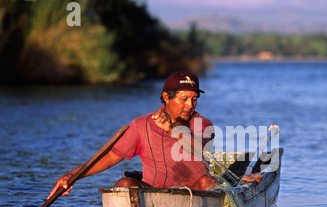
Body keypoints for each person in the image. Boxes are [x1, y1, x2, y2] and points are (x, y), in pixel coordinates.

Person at [48, 71, 217, 199]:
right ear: (166, 97)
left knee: (208, 182)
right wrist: (73, 175)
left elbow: (198, 149)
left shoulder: (202, 124)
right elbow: (111, 157)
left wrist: (171, 130)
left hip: (194, 194)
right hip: (152, 195)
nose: (190, 105)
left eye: (194, 99)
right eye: (184, 99)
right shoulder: (141, 125)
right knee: (124, 184)